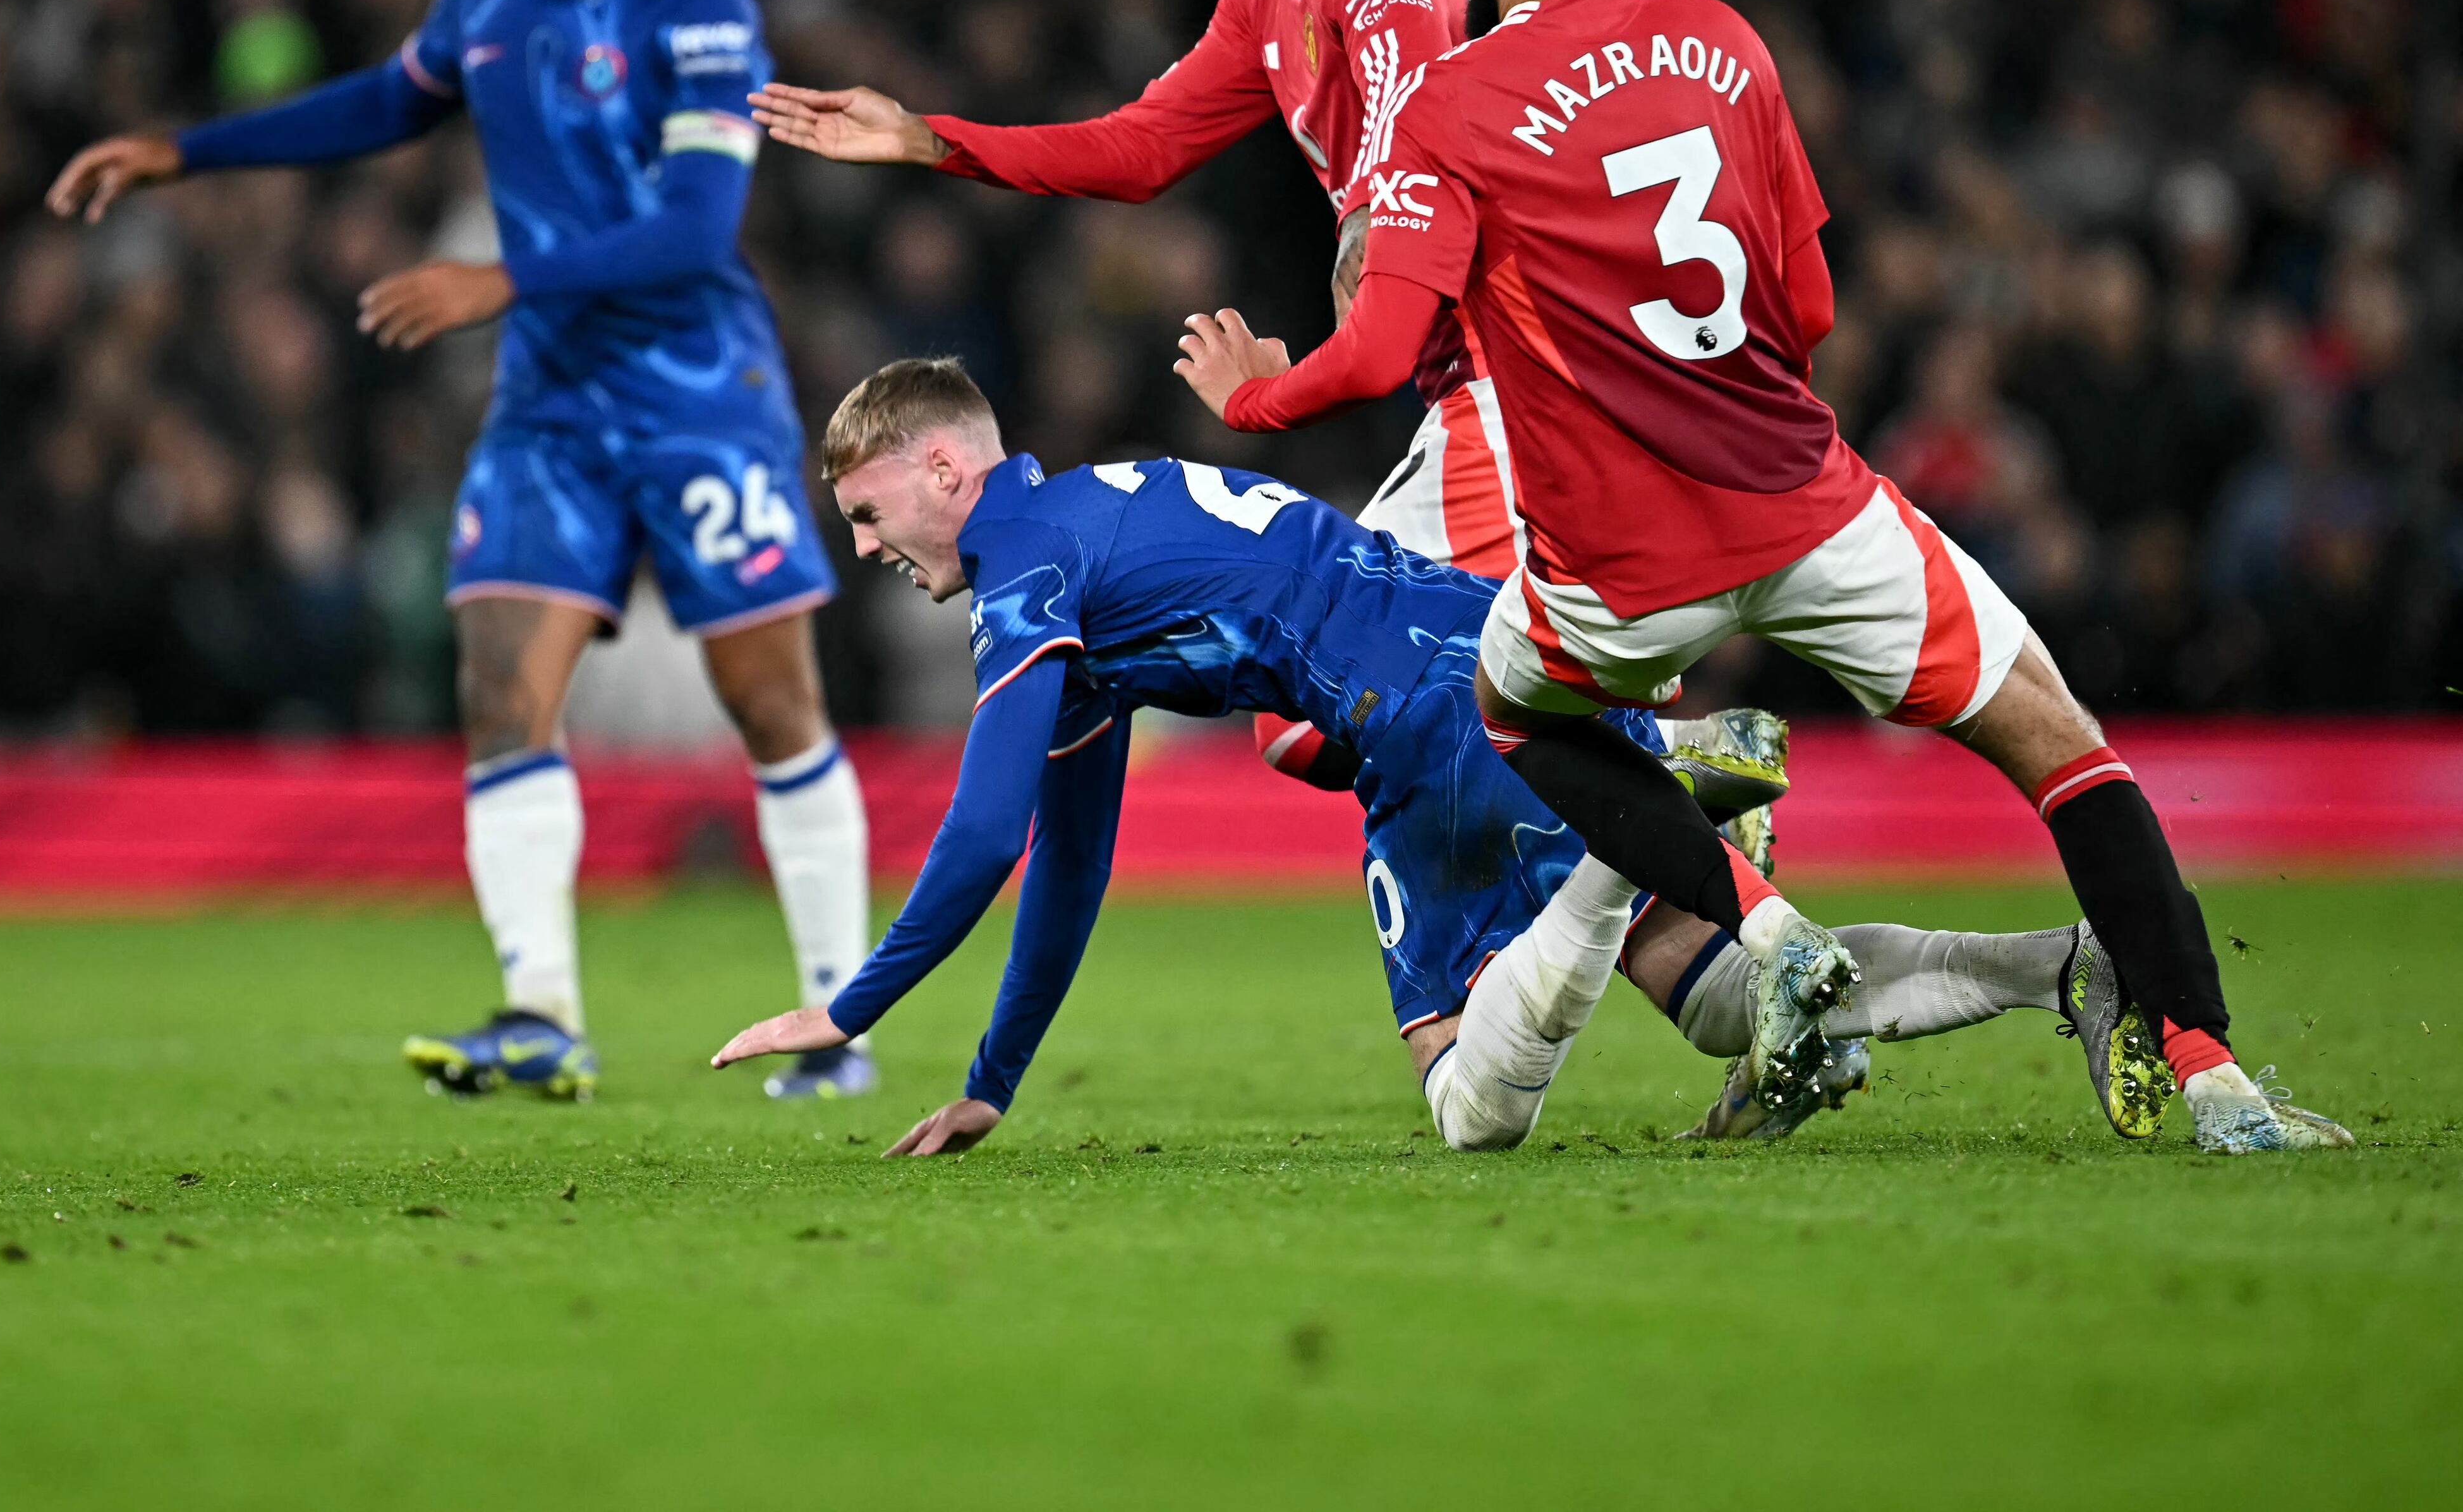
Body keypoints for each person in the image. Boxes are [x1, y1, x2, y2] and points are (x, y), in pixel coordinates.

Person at [1173, 0, 2349, 1155]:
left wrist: (1252, 393)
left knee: (1516, 712)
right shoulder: (1724, 44)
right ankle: (2212, 1074)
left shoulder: (1451, 105)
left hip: (1622, 561)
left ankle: (1766, 920)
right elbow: (1808, 300)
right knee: (2062, 743)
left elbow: (1381, 341)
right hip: (1806, 501)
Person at [744, 0, 1782, 823]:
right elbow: (1142, 147)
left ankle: (1669, 776)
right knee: (1361, 711)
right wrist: (928, 138)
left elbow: (1414, 67)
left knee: (1315, 708)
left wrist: (1376, 209)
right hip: (1476, 393)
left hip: (1516, 392)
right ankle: (1664, 793)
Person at [710, 358, 2146, 1156]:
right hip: (1495, 644)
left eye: (869, 510)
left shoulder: (1023, 563)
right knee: (1718, 1001)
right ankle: (2062, 965)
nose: (868, 550)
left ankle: (1621, 836)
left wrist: (848, 1009)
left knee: (1470, 1107)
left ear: (947, 470)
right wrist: (993, 1076)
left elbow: (979, 833)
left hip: (1412, 713)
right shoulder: (1083, 538)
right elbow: (1065, 853)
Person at [47, 0, 874, 1103]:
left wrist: (503, 278)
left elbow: (696, 226)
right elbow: (385, 103)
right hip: (549, 408)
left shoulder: (698, 7)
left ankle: (835, 1019)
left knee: (771, 703)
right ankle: (542, 1011)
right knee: (498, 688)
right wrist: (185, 152)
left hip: (697, 393)